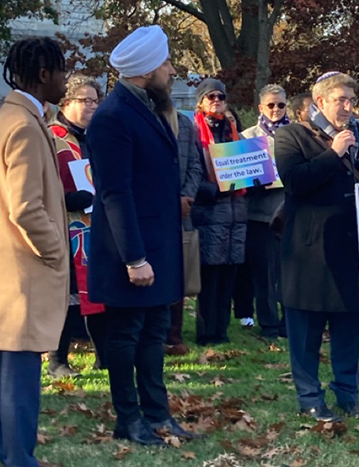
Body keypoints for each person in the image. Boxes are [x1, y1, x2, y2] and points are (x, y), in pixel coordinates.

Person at [87, 25, 197, 446]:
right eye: (166, 63)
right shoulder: (113, 117)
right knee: (126, 335)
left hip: (157, 244)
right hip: (128, 251)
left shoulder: (146, 107)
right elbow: (116, 193)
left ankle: (158, 414)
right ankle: (127, 418)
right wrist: (134, 258)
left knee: (153, 334)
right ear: (146, 68)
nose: (171, 70)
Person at [276, 72, 359, 422]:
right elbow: (295, 182)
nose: (348, 107)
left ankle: (347, 392)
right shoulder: (291, 136)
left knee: (347, 328)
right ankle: (310, 396)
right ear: (320, 102)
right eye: (341, 100)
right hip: (310, 250)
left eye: (351, 100)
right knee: (306, 330)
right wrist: (334, 153)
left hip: (353, 247)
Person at [0, 37, 69, 467]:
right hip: (22, 271)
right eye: (61, 70)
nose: (66, 80)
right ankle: (17, 458)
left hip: (11, 268)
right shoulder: (23, 125)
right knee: (18, 377)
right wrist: (55, 251)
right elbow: (25, 206)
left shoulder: (13, 117)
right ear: (44, 74)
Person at [49, 75, 108, 376]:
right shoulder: (51, 136)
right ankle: (58, 360)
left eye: (96, 100)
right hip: (62, 228)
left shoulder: (98, 136)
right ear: (66, 102)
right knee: (67, 295)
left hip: (97, 226)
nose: (92, 106)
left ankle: (104, 355)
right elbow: (38, 184)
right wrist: (67, 198)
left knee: (98, 289)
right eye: (85, 100)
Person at [190, 78, 247, 346]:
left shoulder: (235, 129)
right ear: (200, 102)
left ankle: (222, 330)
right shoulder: (192, 132)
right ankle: (206, 331)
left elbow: (248, 165)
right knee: (209, 277)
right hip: (209, 212)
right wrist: (210, 191)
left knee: (229, 275)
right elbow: (189, 173)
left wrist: (254, 179)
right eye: (211, 97)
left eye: (221, 97)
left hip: (236, 213)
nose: (217, 101)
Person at [235, 84, 289, 339]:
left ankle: (289, 322)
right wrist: (256, 183)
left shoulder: (297, 133)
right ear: (261, 108)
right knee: (264, 275)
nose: (276, 110)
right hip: (259, 215)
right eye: (271, 105)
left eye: (281, 105)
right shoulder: (247, 137)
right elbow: (239, 181)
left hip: (290, 213)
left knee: (289, 272)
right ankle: (268, 324)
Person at [163, 107, 203, 356]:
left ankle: (173, 335)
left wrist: (186, 196)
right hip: (154, 209)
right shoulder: (141, 117)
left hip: (182, 211)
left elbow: (196, 166)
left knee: (178, 272)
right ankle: (154, 334)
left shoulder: (184, 124)